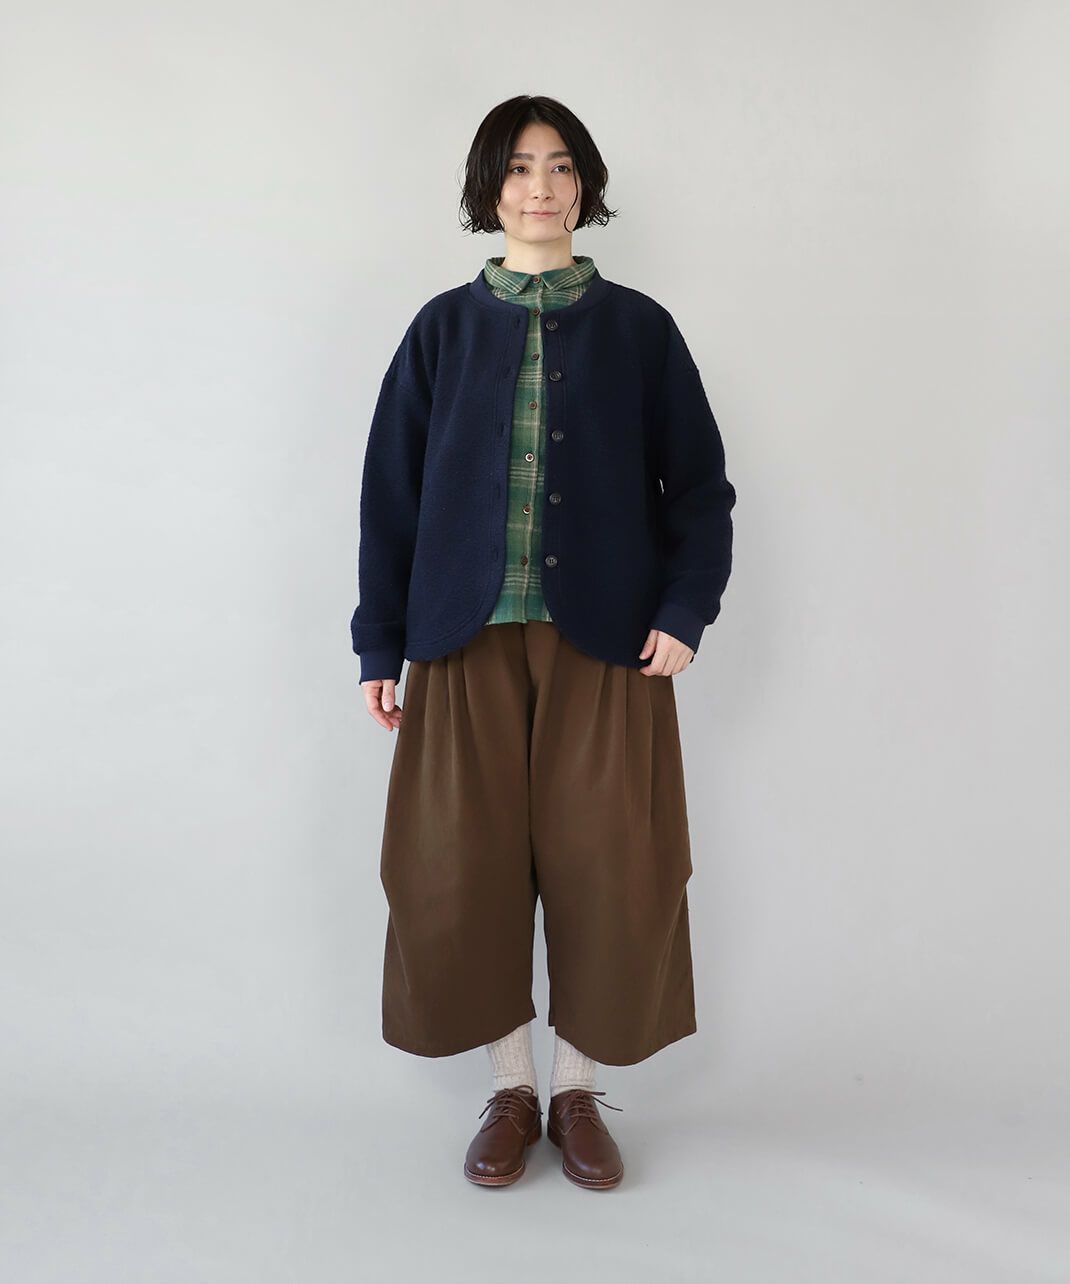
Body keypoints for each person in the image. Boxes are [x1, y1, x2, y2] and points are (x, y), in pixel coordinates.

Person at [350, 94, 736, 1190]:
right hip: (459, 642)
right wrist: (379, 645)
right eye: (518, 167)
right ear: (490, 188)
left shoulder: (640, 331)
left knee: (611, 869)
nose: (539, 186)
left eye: (560, 166)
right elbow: (389, 500)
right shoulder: (440, 331)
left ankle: (575, 1091)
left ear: (584, 187)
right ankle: (511, 1088)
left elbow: (699, 490)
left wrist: (685, 610)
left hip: (607, 644)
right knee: (457, 870)